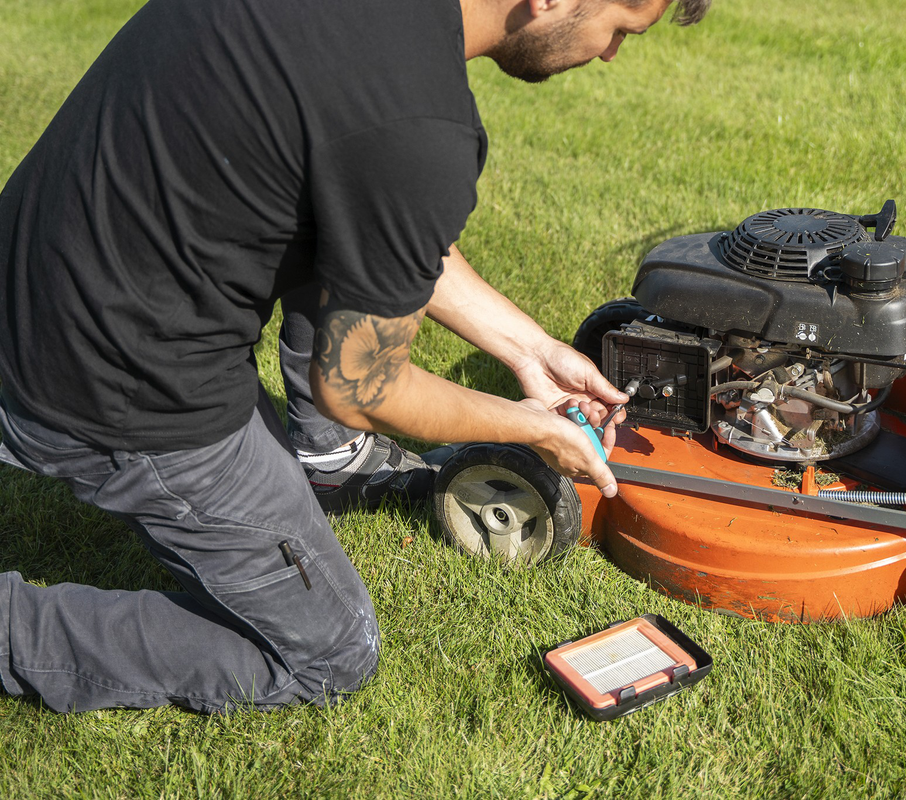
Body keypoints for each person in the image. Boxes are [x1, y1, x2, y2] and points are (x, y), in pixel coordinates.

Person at [0, 0, 709, 713]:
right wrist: (535, 427)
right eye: (621, 27)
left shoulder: (376, 50)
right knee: (328, 653)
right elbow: (363, 389)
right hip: (111, 384)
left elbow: (378, 212)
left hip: (31, 280)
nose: (613, 52)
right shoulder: (418, 121)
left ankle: (328, 462)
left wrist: (532, 351)